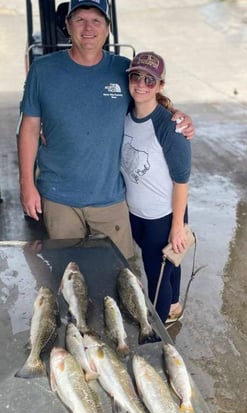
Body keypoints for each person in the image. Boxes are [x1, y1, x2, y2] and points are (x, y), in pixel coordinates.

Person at [18, 0, 194, 261]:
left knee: (121, 276)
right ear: (67, 25)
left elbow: (147, 99)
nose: (88, 27)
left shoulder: (122, 68)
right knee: (69, 276)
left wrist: (177, 116)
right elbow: (29, 129)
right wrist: (26, 184)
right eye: (80, 19)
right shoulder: (42, 70)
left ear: (107, 28)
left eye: (96, 20)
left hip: (110, 198)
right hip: (58, 197)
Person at [120, 51, 191, 324]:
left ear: (160, 85)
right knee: (168, 263)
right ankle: (174, 305)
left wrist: (176, 225)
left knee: (157, 276)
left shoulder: (169, 125)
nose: (141, 84)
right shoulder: (126, 113)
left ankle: (158, 335)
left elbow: (181, 180)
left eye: (150, 80)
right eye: (136, 76)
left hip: (162, 216)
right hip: (137, 213)